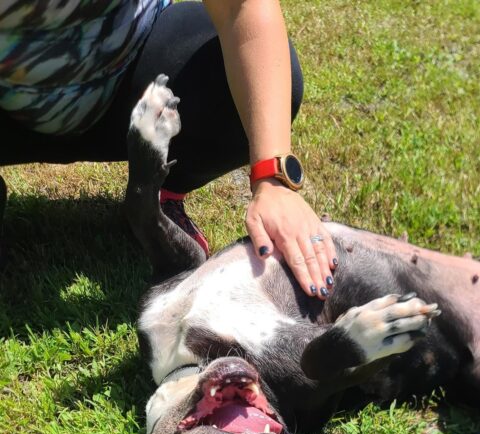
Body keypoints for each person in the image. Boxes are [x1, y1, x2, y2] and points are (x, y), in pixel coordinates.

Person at [0, 0, 337, 299]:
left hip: (130, 75)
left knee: (252, 80)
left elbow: (242, 8)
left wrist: (273, 177)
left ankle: (160, 194)